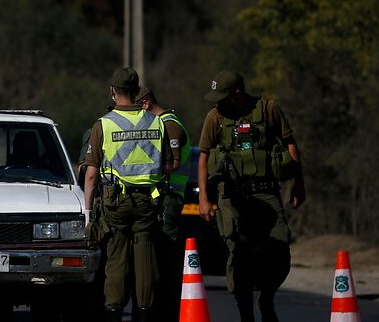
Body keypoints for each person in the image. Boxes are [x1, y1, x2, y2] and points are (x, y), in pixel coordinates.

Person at [197, 71, 306, 322]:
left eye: (224, 96)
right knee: (239, 252)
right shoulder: (215, 117)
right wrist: (204, 198)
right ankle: (245, 309)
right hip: (231, 197)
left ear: (237, 93)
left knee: (279, 248)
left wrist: (299, 185)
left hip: (267, 191)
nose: (219, 102)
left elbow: (290, 143)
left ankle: (266, 297)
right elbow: (203, 157)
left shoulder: (268, 109)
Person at [84, 68, 179, 322]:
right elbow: (169, 165)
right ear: (137, 92)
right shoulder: (157, 122)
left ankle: (113, 311)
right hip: (149, 202)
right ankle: (145, 312)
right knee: (145, 258)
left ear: (112, 91)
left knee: (115, 259)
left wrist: (88, 212)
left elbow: (91, 175)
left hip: (116, 203)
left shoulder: (103, 124)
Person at [136, 86, 189, 322]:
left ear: (146, 104)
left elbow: (174, 164)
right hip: (162, 196)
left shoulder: (169, 124)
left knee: (167, 255)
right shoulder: (159, 123)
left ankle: (167, 310)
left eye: (138, 108)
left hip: (170, 197)